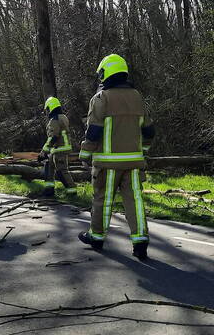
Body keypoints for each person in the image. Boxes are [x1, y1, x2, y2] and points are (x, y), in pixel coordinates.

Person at [78, 54, 155, 260]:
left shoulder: (101, 98)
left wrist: (85, 154)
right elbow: (149, 131)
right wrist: (143, 151)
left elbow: (93, 131)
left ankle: (96, 237)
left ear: (106, 73)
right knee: (135, 202)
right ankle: (140, 241)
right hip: (134, 164)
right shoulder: (138, 97)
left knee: (102, 200)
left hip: (108, 164)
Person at [38, 96, 76, 198]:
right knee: (49, 166)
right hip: (57, 148)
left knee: (61, 171)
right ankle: (49, 191)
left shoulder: (55, 120)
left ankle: (72, 192)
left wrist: (43, 152)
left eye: (47, 109)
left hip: (60, 149)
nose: (46, 112)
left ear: (50, 108)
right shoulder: (62, 117)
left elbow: (53, 137)